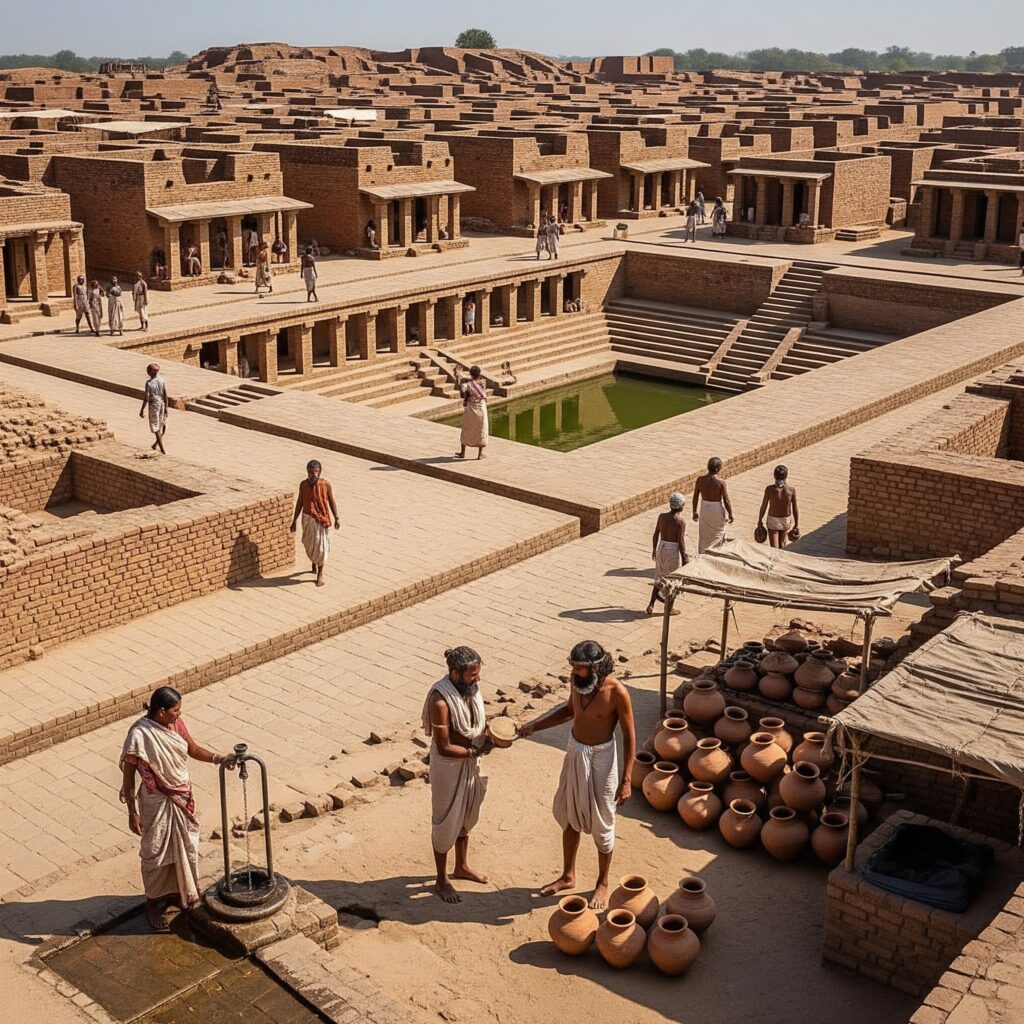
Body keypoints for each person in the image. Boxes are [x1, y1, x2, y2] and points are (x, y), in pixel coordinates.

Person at [519, 640, 636, 910]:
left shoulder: (617, 692)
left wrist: (627, 779)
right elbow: (569, 711)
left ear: (596, 666)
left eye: (579, 668)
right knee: (570, 814)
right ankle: (567, 875)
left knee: (603, 822)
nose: (573, 672)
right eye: (572, 667)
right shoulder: (577, 683)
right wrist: (535, 726)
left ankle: (602, 882)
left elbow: (630, 736)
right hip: (575, 752)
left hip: (602, 758)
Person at [120, 686, 236, 932]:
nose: (178, 714)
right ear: (161, 712)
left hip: (181, 795)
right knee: (155, 852)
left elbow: (192, 749)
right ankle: (152, 902)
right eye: (175, 711)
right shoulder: (139, 735)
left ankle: (177, 891)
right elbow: (128, 779)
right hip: (155, 801)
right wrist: (132, 812)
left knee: (185, 844)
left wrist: (220, 759)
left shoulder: (176, 725)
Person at [423, 646, 492, 903]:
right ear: (455, 673)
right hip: (448, 767)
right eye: (473, 675)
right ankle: (442, 879)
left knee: (466, 813)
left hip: (470, 762)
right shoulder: (439, 701)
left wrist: (490, 736)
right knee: (445, 820)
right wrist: (474, 752)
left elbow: (477, 724)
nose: (477, 679)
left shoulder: (471, 691)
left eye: (478, 673)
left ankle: (461, 866)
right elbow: (443, 746)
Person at [289, 459, 340, 587]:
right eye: (310, 473)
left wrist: (336, 517)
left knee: (320, 546)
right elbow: (300, 502)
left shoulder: (325, 485)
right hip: (308, 518)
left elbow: (331, 501)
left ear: (319, 472)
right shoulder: (303, 485)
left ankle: (320, 574)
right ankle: (314, 562)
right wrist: (294, 520)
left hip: (321, 519)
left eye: (315, 472)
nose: (313, 475)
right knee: (309, 543)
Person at [645, 492, 689, 616]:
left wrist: (654, 549)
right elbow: (680, 542)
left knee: (658, 577)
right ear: (681, 507)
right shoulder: (680, 521)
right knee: (673, 580)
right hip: (671, 550)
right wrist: (685, 559)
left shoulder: (662, 517)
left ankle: (651, 604)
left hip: (661, 547)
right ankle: (669, 608)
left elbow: (656, 534)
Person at [692, 456, 734, 553]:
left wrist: (694, 511)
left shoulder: (700, 480)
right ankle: (717, 553)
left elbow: (695, 496)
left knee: (704, 533)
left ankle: (703, 553)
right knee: (718, 533)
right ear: (718, 468)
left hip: (704, 508)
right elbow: (726, 501)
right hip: (716, 509)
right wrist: (730, 514)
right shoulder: (721, 482)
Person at [758, 464, 800, 549]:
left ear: (774, 476)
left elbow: (764, 506)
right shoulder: (791, 490)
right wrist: (796, 524)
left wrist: (760, 520)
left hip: (773, 519)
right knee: (782, 546)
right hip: (785, 519)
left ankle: (774, 561)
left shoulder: (769, 489)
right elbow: (795, 508)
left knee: (774, 547)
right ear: (786, 476)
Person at [455, 365, 488, 460]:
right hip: (481, 408)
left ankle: (462, 452)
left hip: (471, 409)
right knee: (481, 429)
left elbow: (463, 394)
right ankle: (480, 454)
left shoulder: (468, 385)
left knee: (466, 428)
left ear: (470, 374)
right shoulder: (483, 382)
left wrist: (458, 378)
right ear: (479, 374)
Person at [139, 362, 168, 454]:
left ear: (151, 372)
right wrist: (166, 407)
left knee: (156, 428)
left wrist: (142, 410)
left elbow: (146, 398)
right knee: (162, 424)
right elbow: (165, 394)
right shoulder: (161, 380)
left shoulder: (149, 383)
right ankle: (156, 444)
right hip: (162, 404)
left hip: (154, 405)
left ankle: (162, 449)